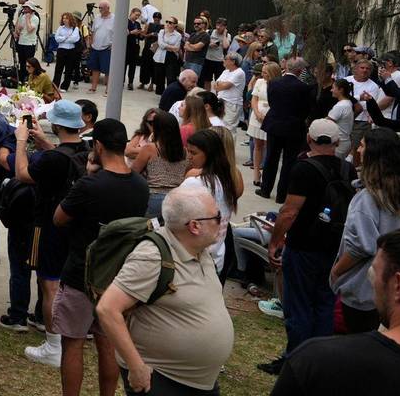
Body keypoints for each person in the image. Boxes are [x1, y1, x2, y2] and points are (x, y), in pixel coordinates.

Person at [95, 181, 233, 396]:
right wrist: (136, 367)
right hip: (162, 380)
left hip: (198, 382)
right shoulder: (151, 256)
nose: (222, 220)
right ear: (194, 226)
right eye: (216, 216)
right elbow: (107, 309)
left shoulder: (200, 248)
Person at [53, 119, 150, 396]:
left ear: (98, 145)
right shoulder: (140, 186)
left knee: (72, 342)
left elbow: (59, 219)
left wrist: (87, 176)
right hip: (117, 276)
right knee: (107, 341)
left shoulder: (89, 185)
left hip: (81, 272)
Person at [259, 119, 356, 375]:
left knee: (298, 306)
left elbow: (289, 211)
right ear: (336, 143)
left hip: (304, 246)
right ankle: (318, 362)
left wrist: (276, 241)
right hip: (334, 247)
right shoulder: (348, 170)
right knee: (324, 304)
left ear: (310, 139)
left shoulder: (304, 168)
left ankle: (295, 362)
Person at [272, 229, 400, 396]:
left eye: (373, 274)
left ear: (398, 285)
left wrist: (337, 271)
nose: (372, 285)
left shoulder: (317, 362)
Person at [15, 100, 90, 368]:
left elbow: (22, 173)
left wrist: (21, 142)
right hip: (76, 224)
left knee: (49, 284)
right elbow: (62, 155)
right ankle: (67, 334)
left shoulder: (52, 159)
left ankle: (53, 346)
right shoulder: (85, 149)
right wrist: (46, 142)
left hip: (49, 223)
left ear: (56, 125)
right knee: (66, 280)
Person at [331, 129, 400, 332]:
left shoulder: (367, 199)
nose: (358, 150)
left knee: (349, 350)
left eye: (362, 145)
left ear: (373, 154)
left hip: (361, 291)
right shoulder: (396, 194)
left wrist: (336, 272)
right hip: (391, 292)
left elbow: (361, 246)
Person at [184, 129, 242, 277]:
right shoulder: (231, 178)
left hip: (196, 259)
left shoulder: (195, 179)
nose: (189, 157)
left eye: (193, 152)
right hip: (218, 254)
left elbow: (176, 214)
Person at [259, 57, 315, 202]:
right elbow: (306, 109)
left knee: (271, 157)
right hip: (294, 127)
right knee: (289, 162)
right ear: (300, 70)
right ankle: (282, 195)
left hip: (275, 124)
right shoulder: (304, 88)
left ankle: (265, 189)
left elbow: (272, 102)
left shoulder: (274, 83)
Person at [248, 62, 281, 187]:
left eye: (265, 72)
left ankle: (266, 172)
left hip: (271, 116)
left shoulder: (278, 84)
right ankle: (256, 172)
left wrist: (267, 116)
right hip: (257, 115)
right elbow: (254, 98)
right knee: (258, 145)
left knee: (269, 146)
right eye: (262, 72)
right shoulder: (259, 82)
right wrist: (256, 112)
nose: (262, 74)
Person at [212, 52, 247, 129]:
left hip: (232, 104)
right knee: (220, 126)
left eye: (225, 59)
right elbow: (215, 86)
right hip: (221, 101)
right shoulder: (225, 71)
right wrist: (221, 85)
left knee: (229, 128)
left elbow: (225, 86)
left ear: (233, 61)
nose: (223, 60)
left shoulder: (239, 72)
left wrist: (221, 84)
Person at [87, 0, 115, 93]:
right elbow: (93, 31)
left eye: (101, 8)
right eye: (99, 8)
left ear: (108, 8)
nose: (100, 9)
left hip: (107, 47)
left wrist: (114, 44)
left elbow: (121, 33)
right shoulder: (97, 18)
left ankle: (108, 90)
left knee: (108, 70)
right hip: (95, 47)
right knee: (95, 69)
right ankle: (93, 87)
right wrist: (90, 42)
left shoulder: (115, 18)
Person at [154, 18, 184, 96]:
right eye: (167, 21)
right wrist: (171, 47)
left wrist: (166, 46)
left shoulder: (178, 35)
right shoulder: (162, 31)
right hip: (160, 56)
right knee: (160, 76)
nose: (168, 23)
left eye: (170, 22)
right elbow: (160, 44)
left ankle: (169, 93)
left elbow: (177, 48)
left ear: (175, 25)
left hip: (171, 57)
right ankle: (161, 94)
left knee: (171, 77)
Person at [53, 13, 82, 92]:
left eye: (66, 18)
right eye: (63, 18)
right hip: (61, 50)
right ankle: (55, 85)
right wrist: (66, 37)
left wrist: (63, 39)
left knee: (69, 69)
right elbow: (57, 38)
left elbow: (75, 39)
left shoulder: (75, 29)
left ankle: (64, 86)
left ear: (70, 19)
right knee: (58, 68)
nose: (64, 20)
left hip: (71, 51)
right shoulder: (60, 28)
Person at [14, 1, 41, 83]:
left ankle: (29, 79)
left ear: (31, 9)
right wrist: (17, 30)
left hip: (29, 43)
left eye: (27, 8)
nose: (25, 9)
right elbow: (18, 28)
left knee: (29, 63)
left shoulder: (35, 18)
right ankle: (22, 79)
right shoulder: (22, 16)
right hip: (21, 42)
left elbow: (30, 30)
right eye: (24, 7)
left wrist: (28, 19)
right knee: (22, 62)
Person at [138, 11, 162, 91]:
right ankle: (143, 82)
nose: (156, 20)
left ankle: (152, 84)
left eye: (158, 19)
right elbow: (143, 35)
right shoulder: (149, 25)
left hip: (156, 49)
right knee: (145, 65)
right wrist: (150, 34)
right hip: (148, 47)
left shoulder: (162, 27)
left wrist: (158, 35)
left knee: (154, 66)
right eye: (155, 18)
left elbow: (164, 38)